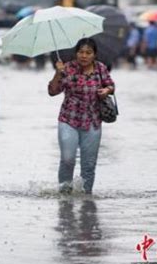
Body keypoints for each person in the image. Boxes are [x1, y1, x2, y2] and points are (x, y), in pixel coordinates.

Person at [47, 38, 115, 195]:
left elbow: (111, 85)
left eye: (88, 53)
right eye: (81, 52)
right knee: (67, 159)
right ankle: (64, 194)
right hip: (68, 119)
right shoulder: (68, 68)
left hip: (93, 121)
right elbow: (52, 91)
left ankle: (86, 197)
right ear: (76, 53)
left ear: (94, 55)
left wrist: (107, 90)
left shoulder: (100, 68)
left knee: (89, 164)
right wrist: (58, 72)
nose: (84, 56)